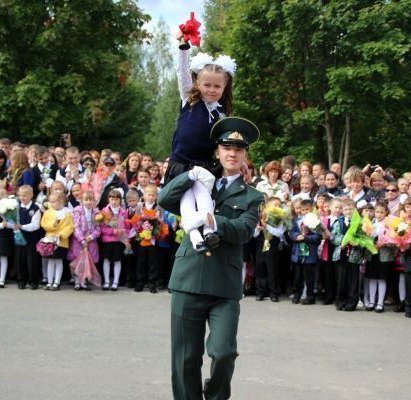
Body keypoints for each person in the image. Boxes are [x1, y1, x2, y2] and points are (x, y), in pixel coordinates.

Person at [159, 117, 263, 400]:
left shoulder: (252, 195)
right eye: (227, 147)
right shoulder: (200, 181)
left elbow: (244, 230)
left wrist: (212, 221)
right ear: (217, 151)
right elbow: (165, 199)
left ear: (245, 156)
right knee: (185, 357)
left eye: (239, 149)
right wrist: (190, 174)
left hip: (224, 286)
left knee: (224, 352)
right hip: (188, 278)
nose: (232, 153)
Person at [164, 33, 237, 256]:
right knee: (186, 199)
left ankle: (208, 231)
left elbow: (226, 143)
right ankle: (196, 238)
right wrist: (183, 48)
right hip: (181, 162)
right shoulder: (190, 99)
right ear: (197, 83)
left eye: (217, 86)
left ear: (224, 87)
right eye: (207, 85)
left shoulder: (222, 114)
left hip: (204, 164)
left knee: (202, 194)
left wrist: (239, 162)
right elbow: (181, 72)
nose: (212, 90)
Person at [40, 192, 74, 290]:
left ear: (61, 201)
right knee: (50, 261)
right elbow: (43, 224)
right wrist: (52, 225)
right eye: (50, 202)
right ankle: (49, 282)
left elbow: (70, 226)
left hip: (61, 241)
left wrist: (61, 234)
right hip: (50, 240)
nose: (51, 204)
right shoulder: (47, 212)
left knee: (58, 261)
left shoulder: (67, 213)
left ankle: (57, 282)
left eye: (54, 202)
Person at [98, 188, 130, 291]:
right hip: (107, 240)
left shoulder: (123, 212)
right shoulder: (104, 211)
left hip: (119, 241)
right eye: (112, 199)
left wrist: (124, 234)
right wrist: (113, 231)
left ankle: (115, 281)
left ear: (120, 200)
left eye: (116, 199)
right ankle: (107, 281)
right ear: (108, 199)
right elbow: (102, 228)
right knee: (106, 260)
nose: (114, 201)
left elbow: (127, 226)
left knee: (117, 260)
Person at [15, 185, 42, 290]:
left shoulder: (35, 209)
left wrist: (21, 226)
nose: (22, 198)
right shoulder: (16, 208)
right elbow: (13, 222)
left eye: (25, 195)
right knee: (20, 259)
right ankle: (21, 280)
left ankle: (33, 281)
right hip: (19, 237)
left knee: (32, 260)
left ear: (31, 195)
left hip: (31, 238)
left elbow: (35, 225)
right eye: (20, 195)